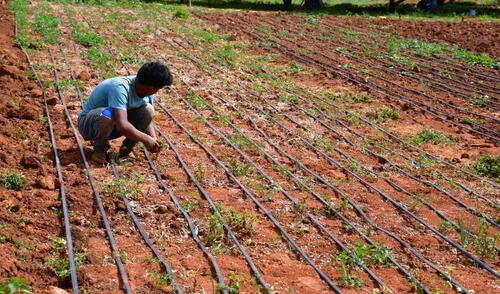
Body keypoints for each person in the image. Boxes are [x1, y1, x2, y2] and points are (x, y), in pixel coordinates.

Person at [78, 61, 173, 163]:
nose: (156, 91)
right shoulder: (120, 87)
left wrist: (153, 137)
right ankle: (100, 151)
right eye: (157, 88)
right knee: (107, 113)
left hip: (113, 126)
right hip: (90, 126)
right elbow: (122, 126)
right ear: (151, 87)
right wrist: (145, 139)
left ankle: (125, 152)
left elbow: (147, 118)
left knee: (148, 109)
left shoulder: (147, 90)